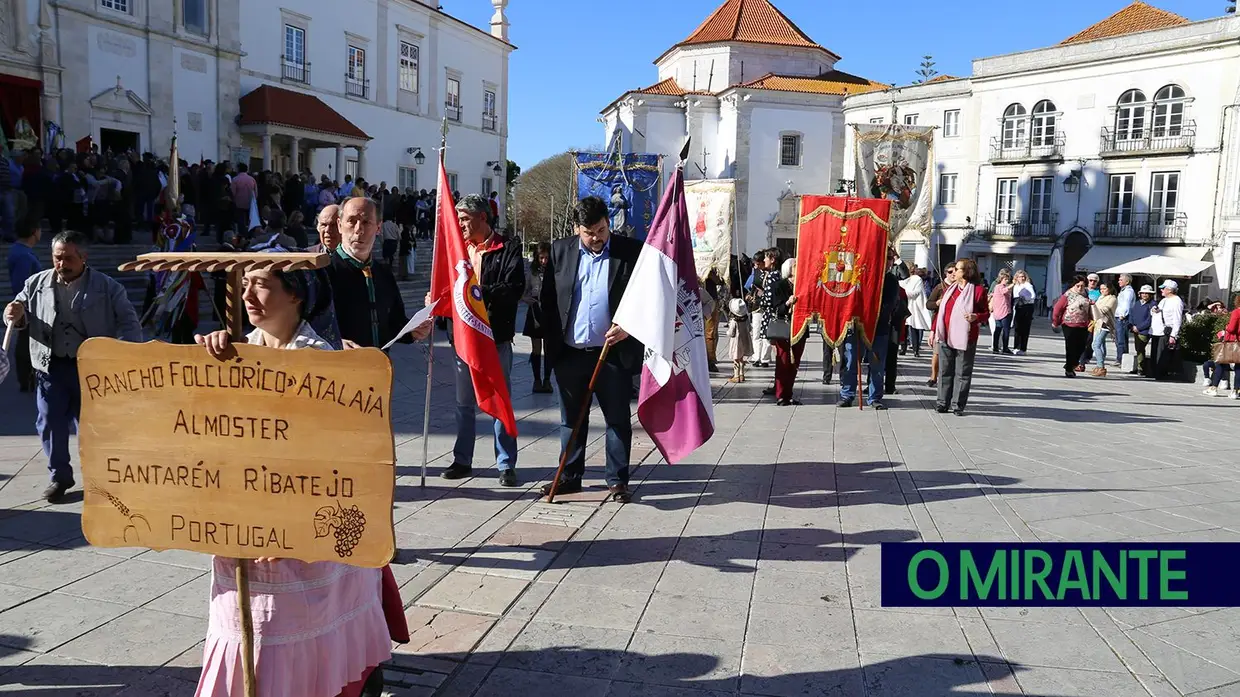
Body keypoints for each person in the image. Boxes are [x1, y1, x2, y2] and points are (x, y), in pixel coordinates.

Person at [193, 260, 419, 697]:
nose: (248, 296)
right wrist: (209, 361)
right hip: (243, 522)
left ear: (295, 295)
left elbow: (339, 460)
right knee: (242, 625)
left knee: (284, 624)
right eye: (245, 285)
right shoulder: (235, 351)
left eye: (262, 285)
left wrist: (290, 530)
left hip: (302, 533)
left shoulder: (324, 363)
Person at [3, 231, 142, 502]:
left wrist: (127, 353)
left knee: (92, 426)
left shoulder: (107, 286)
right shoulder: (36, 283)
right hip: (50, 366)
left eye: (68, 258)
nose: (62, 264)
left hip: (92, 368)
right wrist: (14, 314)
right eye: (57, 257)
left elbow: (129, 320)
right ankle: (60, 476)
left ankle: (98, 477)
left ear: (83, 257)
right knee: (49, 422)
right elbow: (17, 310)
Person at [538, 196, 643, 503]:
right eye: (589, 232)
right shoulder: (560, 251)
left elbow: (645, 298)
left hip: (612, 353)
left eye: (601, 229)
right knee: (571, 420)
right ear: (577, 228)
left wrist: (628, 327)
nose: (596, 237)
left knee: (617, 418)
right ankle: (570, 477)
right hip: (570, 353)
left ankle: (617, 480)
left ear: (608, 223)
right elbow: (548, 301)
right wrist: (550, 345)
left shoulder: (630, 252)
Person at [437, 195, 526, 487]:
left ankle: (506, 463)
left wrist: (474, 294)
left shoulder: (507, 247)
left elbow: (513, 287)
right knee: (464, 403)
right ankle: (462, 460)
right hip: (462, 337)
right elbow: (444, 286)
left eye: (465, 220)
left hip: (495, 336)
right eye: (459, 220)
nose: (461, 225)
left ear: (483, 219)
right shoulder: (456, 250)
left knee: (500, 398)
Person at [327, 197, 411, 350]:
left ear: (378, 228)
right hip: (336, 368)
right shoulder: (323, 272)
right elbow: (306, 328)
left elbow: (394, 322)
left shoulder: (383, 272)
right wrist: (335, 343)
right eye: (352, 221)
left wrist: (413, 331)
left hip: (380, 367)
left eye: (366, 222)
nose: (359, 229)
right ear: (339, 225)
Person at [838, 249, 901, 410]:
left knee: (877, 365)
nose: (888, 262)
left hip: (878, 328)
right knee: (851, 362)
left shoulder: (891, 280)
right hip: (856, 326)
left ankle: (874, 397)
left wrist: (870, 314)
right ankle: (847, 394)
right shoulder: (860, 276)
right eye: (886, 258)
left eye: (890, 259)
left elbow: (889, 304)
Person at [933, 258, 989, 415]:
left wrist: (975, 316)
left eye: (957, 269)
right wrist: (933, 331)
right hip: (946, 335)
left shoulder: (978, 291)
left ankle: (958, 405)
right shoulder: (949, 290)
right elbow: (941, 313)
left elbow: (986, 313)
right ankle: (942, 403)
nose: (953, 272)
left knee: (962, 373)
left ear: (966, 272)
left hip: (966, 338)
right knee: (945, 371)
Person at [6, 220, 42, 392]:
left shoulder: (22, 252)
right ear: (34, 231)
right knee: (26, 341)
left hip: (29, 303)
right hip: (28, 304)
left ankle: (28, 377)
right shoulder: (23, 255)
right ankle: (26, 379)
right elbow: (23, 284)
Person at [770, 257, 802, 406]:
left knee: (794, 363)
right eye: (796, 265)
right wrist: (788, 302)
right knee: (783, 362)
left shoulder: (802, 285)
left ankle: (789, 394)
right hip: (783, 328)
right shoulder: (780, 286)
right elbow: (776, 308)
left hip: (800, 329)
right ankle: (781, 395)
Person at [523, 242, 553, 393]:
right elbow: (524, 291)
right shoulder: (531, 272)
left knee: (549, 347)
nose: (544, 261)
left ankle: (547, 379)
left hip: (549, 311)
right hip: (535, 310)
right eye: (541, 258)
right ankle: (536, 380)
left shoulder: (554, 271)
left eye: (547, 258)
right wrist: (529, 300)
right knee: (536, 347)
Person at [1051, 275, 1092, 379]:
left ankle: (1072, 364)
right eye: (1078, 286)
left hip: (1083, 324)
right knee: (1071, 347)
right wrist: (1055, 322)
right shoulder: (1067, 295)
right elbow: (1057, 309)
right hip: (1069, 324)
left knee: (1082, 347)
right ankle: (1069, 369)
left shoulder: (1086, 294)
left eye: (1082, 286)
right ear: (1073, 285)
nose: (1080, 288)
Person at [925, 262, 955, 387]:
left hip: (954, 325)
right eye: (950, 272)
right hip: (940, 324)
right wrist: (937, 303)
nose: (953, 274)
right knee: (937, 352)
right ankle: (933, 376)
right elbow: (928, 304)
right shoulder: (940, 287)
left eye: (955, 271)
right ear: (945, 273)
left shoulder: (961, 287)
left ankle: (949, 377)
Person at [1204, 294, 1240, 398]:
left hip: (1232, 342)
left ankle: (1214, 388)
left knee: (1220, 364)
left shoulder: (1236, 312)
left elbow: (1232, 329)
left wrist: (1227, 327)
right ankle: (1236, 391)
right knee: (1239, 367)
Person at [1150, 279, 1185, 381]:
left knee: (1162, 354)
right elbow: (1155, 313)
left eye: (1163, 288)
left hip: (1166, 331)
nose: (1161, 290)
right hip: (1156, 330)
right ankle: (1155, 372)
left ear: (1169, 290)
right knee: (1155, 353)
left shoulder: (1177, 301)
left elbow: (1177, 319)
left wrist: (1173, 335)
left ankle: (1161, 374)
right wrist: (1154, 310)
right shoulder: (1164, 300)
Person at [900, 267, 931, 358]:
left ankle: (915, 349)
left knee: (915, 328)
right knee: (905, 329)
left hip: (914, 308)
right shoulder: (907, 280)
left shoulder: (917, 280)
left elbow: (915, 293)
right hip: (905, 305)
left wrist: (903, 292)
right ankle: (904, 347)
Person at [1089, 282, 1117, 377]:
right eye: (1101, 289)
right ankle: (1099, 365)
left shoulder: (1112, 298)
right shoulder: (1101, 297)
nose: (1102, 291)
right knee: (1100, 345)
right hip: (1097, 323)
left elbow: (1106, 309)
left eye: (1104, 289)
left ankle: (1101, 366)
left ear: (1109, 289)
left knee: (1096, 344)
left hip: (1105, 324)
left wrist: (1094, 306)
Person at [1129, 285, 1156, 377]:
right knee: (1138, 349)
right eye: (1143, 293)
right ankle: (1140, 366)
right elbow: (1131, 314)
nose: (1144, 295)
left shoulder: (1152, 304)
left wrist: (1139, 328)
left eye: (1147, 293)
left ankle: (1141, 368)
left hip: (1144, 331)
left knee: (1140, 348)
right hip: (1135, 329)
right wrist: (1132, 326)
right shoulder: (1137, 303)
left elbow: (1150, 319)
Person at [727, 297, 752, 383]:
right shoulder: (746, 319)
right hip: (745, 340)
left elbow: (731, 333)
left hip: (736, 342)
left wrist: (727, 332)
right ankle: (742, 374)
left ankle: (736, 375)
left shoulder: (734, 321)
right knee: (741, 358)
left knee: (736, 358)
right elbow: (750, 328)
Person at [1011, 270, 1036, 355]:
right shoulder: (1015, 286)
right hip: (1018, 306)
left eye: (1023, 276)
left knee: (1025, 328)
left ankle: (1023, 348)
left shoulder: (1028, 285)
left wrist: (1025, 298)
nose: (1022, 278)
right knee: (1017, 328)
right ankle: (1016, 347)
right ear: (1016, 277)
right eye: (1020, 276)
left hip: (1027, 306)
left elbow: (1033, 296)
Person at [989, 270, 1013, 354]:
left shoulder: (996, 287)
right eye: (1005, 279)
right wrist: (1013, 284)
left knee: (998, 329)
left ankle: (996, 347)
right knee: (1005, 330)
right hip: (1004, 311)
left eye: (1007, 279)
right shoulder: (1000, 286)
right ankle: (1005, 347)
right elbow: (1004, 291)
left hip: (997, 312)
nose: (1007, 281)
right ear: (1002, 279)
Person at [1114, 274, 1135, 367]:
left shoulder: (1128, 291)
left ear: (1127, 282)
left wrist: (1123, 315)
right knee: (1120, 338)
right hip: (1119, 316)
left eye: (1121, 280)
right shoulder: (1123, 290)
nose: (1119, 281)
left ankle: (1120, 359)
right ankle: (1122, 358)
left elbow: (1126, 303)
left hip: (1122, 317)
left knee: (1121, 339)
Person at [229, 163, 257, 234]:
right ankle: (250, 234)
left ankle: (242, 234)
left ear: (238, 169)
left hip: (238, 203)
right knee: (250, 220)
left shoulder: (235, 179)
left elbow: (233, 192)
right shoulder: (252, 179)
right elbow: (256, 192)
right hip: (250, 203)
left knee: (240, 221)